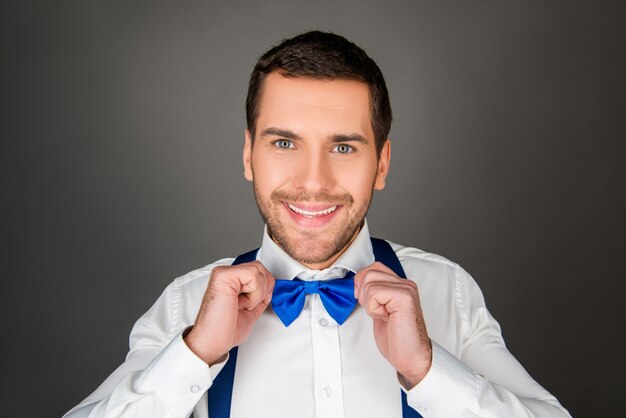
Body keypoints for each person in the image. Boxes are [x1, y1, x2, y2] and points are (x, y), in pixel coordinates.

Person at [63, 31, 571, 418]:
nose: (313, 181)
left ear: (383, 163)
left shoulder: (446, 291)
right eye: (284, 143)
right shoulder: (184, 306)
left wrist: (430, 370)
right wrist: (195, 354)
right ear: (248, 154)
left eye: (344, 147)